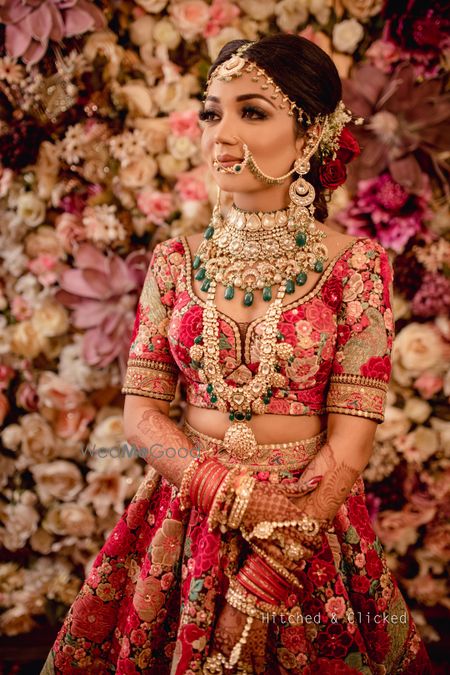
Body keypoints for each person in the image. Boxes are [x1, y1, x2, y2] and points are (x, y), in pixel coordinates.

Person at [41, 34, 433, 674]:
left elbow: (353, 441)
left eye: (252, 112)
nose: (220, 133)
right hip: (186, 510)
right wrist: (231, 494)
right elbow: (141, 419)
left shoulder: (356, 266)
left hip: (312, 519)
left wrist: (280, 553)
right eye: (211, 111)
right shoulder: (175, 262)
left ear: (308, 136)